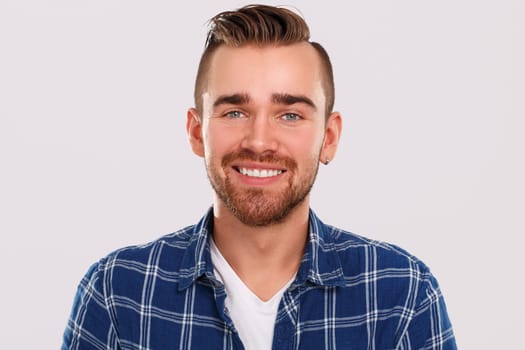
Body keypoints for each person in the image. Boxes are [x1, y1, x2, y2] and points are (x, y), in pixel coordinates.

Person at [62, 4, 456, 349]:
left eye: (290, 115)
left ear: (329, 137)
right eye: (235, 111)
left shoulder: (401, 294)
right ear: (197, 132)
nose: (260, 140)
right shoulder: (118, 294)